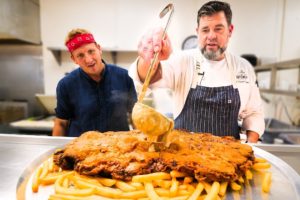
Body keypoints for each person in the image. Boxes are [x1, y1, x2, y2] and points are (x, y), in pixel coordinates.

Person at [129, 1, 265, 143]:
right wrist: (149, 58)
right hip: (184, 158)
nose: (211, 36)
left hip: (229, 159)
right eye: (205, 30)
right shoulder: (183, 61)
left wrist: (250, 148)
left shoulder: (244, 68)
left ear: (230, 30)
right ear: (197, 32)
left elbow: (253, 114)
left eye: (218, 29)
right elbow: (148, 77)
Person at [52, 28, 137, 137]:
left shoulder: (124, 76)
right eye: (80, 55)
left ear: (99, 49)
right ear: (74, 59)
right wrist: (56, 151)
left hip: (118, 148)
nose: (88, 60)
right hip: (81, 149)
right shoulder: (66, 85)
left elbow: (134, 115)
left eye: (91, 51)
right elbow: (61, 123)